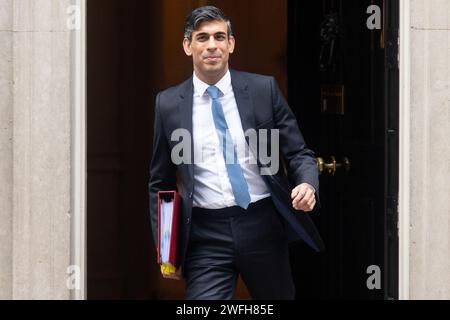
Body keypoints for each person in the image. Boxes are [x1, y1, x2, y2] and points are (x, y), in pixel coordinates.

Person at [149, 6, 324, 300]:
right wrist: (168, 252)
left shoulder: (262, 90)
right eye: (202, 38)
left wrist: (307, 183)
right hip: (204, 234)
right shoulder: (167, 105)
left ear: (231, 44)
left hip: (262, 225)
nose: (212, 45)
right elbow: (161, 185)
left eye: (219, 36)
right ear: (187, 45)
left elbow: (298, 152)